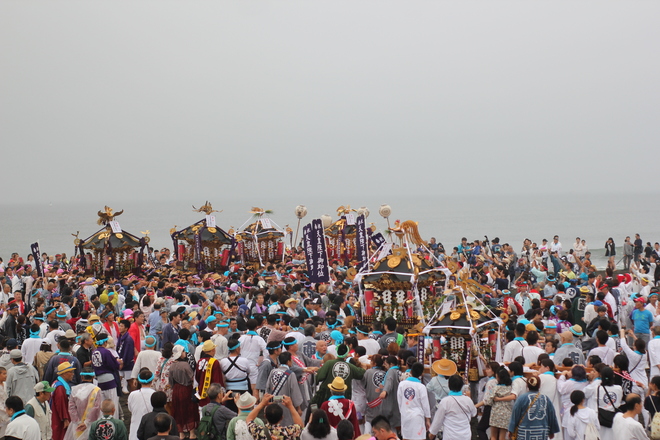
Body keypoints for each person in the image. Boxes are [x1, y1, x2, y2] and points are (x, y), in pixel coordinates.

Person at [508, 376, 560, 440]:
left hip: (524, 432)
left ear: (527, 385)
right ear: (539, 385)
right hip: (542, 432)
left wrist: (511, 429)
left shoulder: (521, 398)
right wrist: (552, 431)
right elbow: (552, 415)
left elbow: (515, 415)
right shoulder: (546, 398)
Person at [429, 374, 476, 440]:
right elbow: (474, 413)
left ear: (449, 385)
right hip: (465, 436)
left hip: (450, 436)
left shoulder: (445, 401)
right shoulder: (468, 400)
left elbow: (438, 421)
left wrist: (431, 434)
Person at [61, 366, 102, 440]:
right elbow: (97, 408)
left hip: (77, 424)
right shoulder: (96, 390)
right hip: (91, 424)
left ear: (82, 377)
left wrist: (78, 422)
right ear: (93, 377)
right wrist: (86, 423)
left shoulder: (74, 389)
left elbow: (71, 408)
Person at [168, 342, 198, 438]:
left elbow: (170, 381)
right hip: (187, 389)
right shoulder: (185, 365)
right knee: (189, 410)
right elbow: (192, 378)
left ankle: (181, 433)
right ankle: (192, 433)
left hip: (176, 389)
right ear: (181, 354)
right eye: (184, 351)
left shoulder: (172, 366)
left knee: (178, 411)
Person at [583, 367, 621, 440]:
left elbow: (584, 392)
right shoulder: (619, 388)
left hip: (601, 418)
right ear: (613, 376)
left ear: (601, 376)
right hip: (614, 418)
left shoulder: (596, 388)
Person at [396, 362, 430, 440]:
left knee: (406, 437)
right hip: (417, 416)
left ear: (410, 371)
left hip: (405, 414)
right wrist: (427, 419)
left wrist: (402, 411)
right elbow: (425, 404)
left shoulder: (402, 384)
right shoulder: (421, 387)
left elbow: (399, 400)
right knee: (419, 437)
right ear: (421, 374)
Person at [485, 368, 514, 440]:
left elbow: (489, 401)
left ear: (499, 378)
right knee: (502, 437)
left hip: (496, 412)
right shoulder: (510, 388)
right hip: (506, 413)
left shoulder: (496, 388)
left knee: (493, 436)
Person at [51, 361, 77, 440]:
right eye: (71, 372)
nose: (73, 374)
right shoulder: (60, 388)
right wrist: (65, 419)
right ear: (64, 373)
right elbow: (61, 404)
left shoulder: (56, 383)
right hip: (59, 419)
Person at [128, 370, 156, 440]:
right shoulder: (154, 394)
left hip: (135, 429)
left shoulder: (132, 394)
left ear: (139, 381)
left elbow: (130, 409)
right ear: (151, 381)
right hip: (151, 429)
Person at [195, 340, 224, 407]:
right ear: (213, 350)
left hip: (202, 392)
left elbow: (197, 377)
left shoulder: (200, 361)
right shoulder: (215, 362)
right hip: (213, 394)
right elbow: (217, 379)